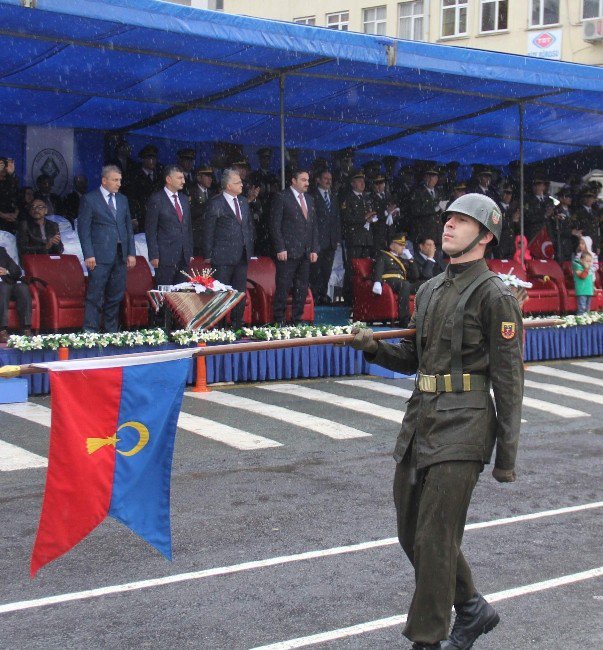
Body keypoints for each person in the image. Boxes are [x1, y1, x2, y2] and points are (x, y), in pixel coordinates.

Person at [351, 193, 524, 650]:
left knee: (435, 536)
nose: (448, 226)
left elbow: (508, 381)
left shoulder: (495, 296)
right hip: (420, 420)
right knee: (412, 532)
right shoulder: (429, 289)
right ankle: (471, 608)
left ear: (485, 236)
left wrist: (505, 456)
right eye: (448, 218)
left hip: (465, 425)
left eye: (462, 221)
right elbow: (415, 357)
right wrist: (373, 347)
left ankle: (427, 639)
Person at [77, 165, 136, 333]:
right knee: (95, 294)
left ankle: (111, 331)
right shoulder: (90, 199)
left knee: (116, 295)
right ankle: (90, 331)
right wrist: (88, 254)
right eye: (115, 180)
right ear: (104, 180)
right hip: (99, 255)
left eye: (120, 180)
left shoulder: (123, 200)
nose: (119, 184)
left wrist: (131, 252)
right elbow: (84, 230)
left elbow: (128, 228)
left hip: (120, 254)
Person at [202, 168, 254, 329]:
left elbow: (248, 226)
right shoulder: (216, 202)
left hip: (242, 254)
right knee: (222, 293)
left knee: (239, 293)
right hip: (222, 256)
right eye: (238, 182)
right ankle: (220, 326)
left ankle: (237, 323)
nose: (242, 185)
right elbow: (208, 230)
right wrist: (208, 254)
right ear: (228, 185)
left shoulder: (243, 202)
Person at [270, 170, 319, 324]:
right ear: (293, 180)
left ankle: (297, 319)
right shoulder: (282, 197)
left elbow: (313, 226)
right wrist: (280, 248)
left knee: (302, 287)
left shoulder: (310, 200)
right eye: (303, 180)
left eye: (308, 180)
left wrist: (314, 248)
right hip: (288, 251)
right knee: (283, 286)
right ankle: (279, 320)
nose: (307, 183)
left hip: (305, 251)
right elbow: (275, 225)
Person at [145, 165, 194, 288]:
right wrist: (154, 255)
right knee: (164, 294)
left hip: (183, 256)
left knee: (180, 294)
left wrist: (189, 251)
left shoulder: (183, 199)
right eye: (179, 178)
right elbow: (150, 230)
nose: (183, 181)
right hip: (165, 256)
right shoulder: (157, 199)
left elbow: (187, 228)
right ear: (168, 179)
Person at [372, 233, 418, 327]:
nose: (403, 247)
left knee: (425, 285)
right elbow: (378, 268)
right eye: (400, 245)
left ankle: (423, 318)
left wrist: (410, 259)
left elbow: (415, 275)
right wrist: (377, 281)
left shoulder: (402, 259)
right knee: (404, 285)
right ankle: (404, 320)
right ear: (392, 245)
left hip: (402, 283)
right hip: (389, 282)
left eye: (404, 245)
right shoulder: (383, 255)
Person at [310, 169, 341, 305]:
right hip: (317, 240)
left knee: (327, 269)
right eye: (325, 178)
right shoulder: (312, 196)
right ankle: (315, 295)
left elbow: (336, 219)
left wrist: (337, 238)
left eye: (330, 179)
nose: (328, 181)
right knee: (316, 269)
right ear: (318, 180)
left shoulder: (333, 197)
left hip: (331, 240)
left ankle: (323, 294)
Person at [0, 245, 32, 342]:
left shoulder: (1, 251)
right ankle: (2, 330)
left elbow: (17, 271)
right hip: (3, 287)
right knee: (3, 288)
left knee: (23, 288)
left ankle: (26, 328)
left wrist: (7, 271)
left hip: (8, 283)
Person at [189, 165, 215, 255]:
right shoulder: (190, 192)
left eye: (211, 176)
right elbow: (191, 212)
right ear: (199, 177)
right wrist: (208, 207)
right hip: (196, 238)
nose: (210, 179)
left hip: (210, 238)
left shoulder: (213, 193)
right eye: (207, 176)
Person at [0, 157, 19, 234]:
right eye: (1, 165)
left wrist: (15, 214)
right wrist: (3, 215)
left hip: (12, 220)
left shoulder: (12, 180)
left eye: (6, 165)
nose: (4, 168)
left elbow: (18, 199)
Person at [572, 249, 595, 315]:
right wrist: (586, 268)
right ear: (581, 260)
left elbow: (591, 279)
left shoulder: (589, 269)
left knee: (587, 308)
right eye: (587, 261)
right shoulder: (577, 266)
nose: (589, 263)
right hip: (582, 291)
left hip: (589, 291)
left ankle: (586, 321)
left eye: (590, 261)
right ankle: (580, 322)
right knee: (582, 308)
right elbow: (582, 276)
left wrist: (593, 287)